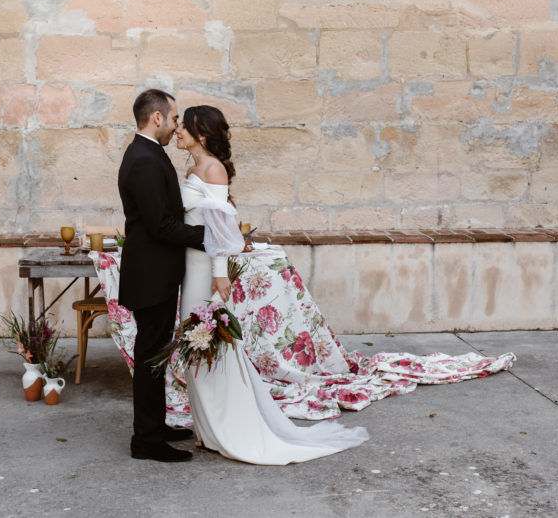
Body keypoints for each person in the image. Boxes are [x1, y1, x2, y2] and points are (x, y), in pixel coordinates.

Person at [174, 105, 369, 464]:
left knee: (204, 345)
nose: (177, 130)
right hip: (189, 266)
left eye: (184, 125)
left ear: (201, 133)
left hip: (205, 269)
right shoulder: (193, 168)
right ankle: (206, 429)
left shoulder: (213, 170)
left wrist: (220, 274)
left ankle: (226, 427)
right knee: (194, 346)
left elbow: (219, 231)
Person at [117, 89, 228, 463]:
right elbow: (162, 226)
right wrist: (212, 238)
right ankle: (146, 441)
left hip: (156, 272)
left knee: (156, 354)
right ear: (157, 118)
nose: (177, 125)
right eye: (174, 117)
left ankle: (156, 425)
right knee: (150, 356)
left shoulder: (147, 154)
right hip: (152, 275)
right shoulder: (146, 160)